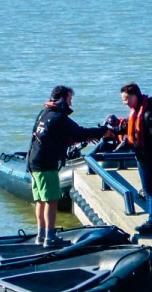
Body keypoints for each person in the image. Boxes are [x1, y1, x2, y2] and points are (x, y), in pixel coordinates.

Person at [26, 85, 108, 246]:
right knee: (51, 200)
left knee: (41, 200)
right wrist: (102, 131)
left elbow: (57, 135)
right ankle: (50, 237)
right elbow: (79, 132)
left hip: (33, 161)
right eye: (70, 99)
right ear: (62, 99)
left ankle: (40, 235)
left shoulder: (44, 113)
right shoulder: (58, 117)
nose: (71, 104)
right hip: (45, 164)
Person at [121, 83, 152, 235]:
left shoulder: (148, 114)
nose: (124, 103)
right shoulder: (137, 111)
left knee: (150, 189)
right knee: (148, 188)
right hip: (142, 155)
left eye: (126, 99)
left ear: (135, 96)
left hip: (149, 157)